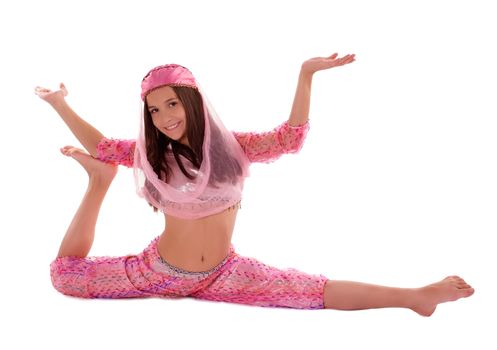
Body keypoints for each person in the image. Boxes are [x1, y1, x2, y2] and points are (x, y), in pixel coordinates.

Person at [35, 53, 474, 316]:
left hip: (224, 273)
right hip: (160, 273)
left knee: (309, 291)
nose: (164, 117)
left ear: (192, 102)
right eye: (153, 111)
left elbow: (289, 138)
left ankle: (416, 296)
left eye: (172, 104)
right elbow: (105, 144)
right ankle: (98, 183)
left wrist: (306, 75)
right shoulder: (153, 157)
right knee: (63, 277)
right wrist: (60, 104)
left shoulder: (232, 149)